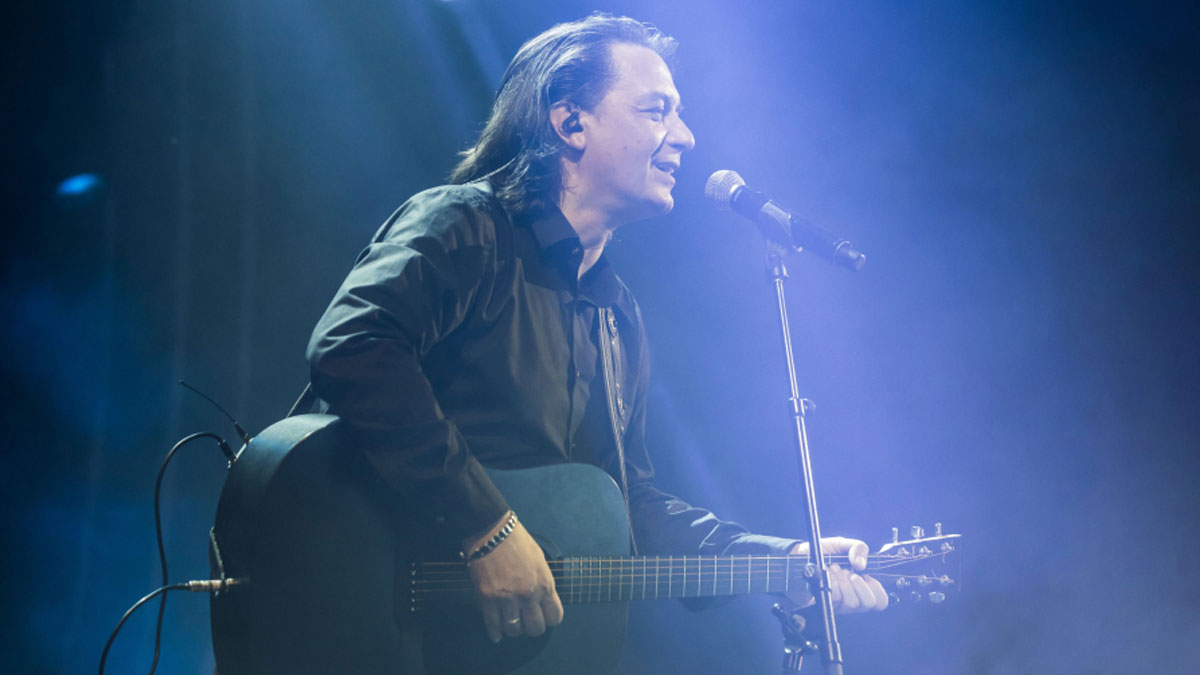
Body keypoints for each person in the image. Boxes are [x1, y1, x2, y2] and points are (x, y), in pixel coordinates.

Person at [305, 13, 887, 649]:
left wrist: (785, 560)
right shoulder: (467, 227)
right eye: (657, 111)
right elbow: (355, 346)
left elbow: (629, 505)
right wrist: (486, 527)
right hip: (344, 607)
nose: (685, 136)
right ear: (571, 123)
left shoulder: (616, 313)